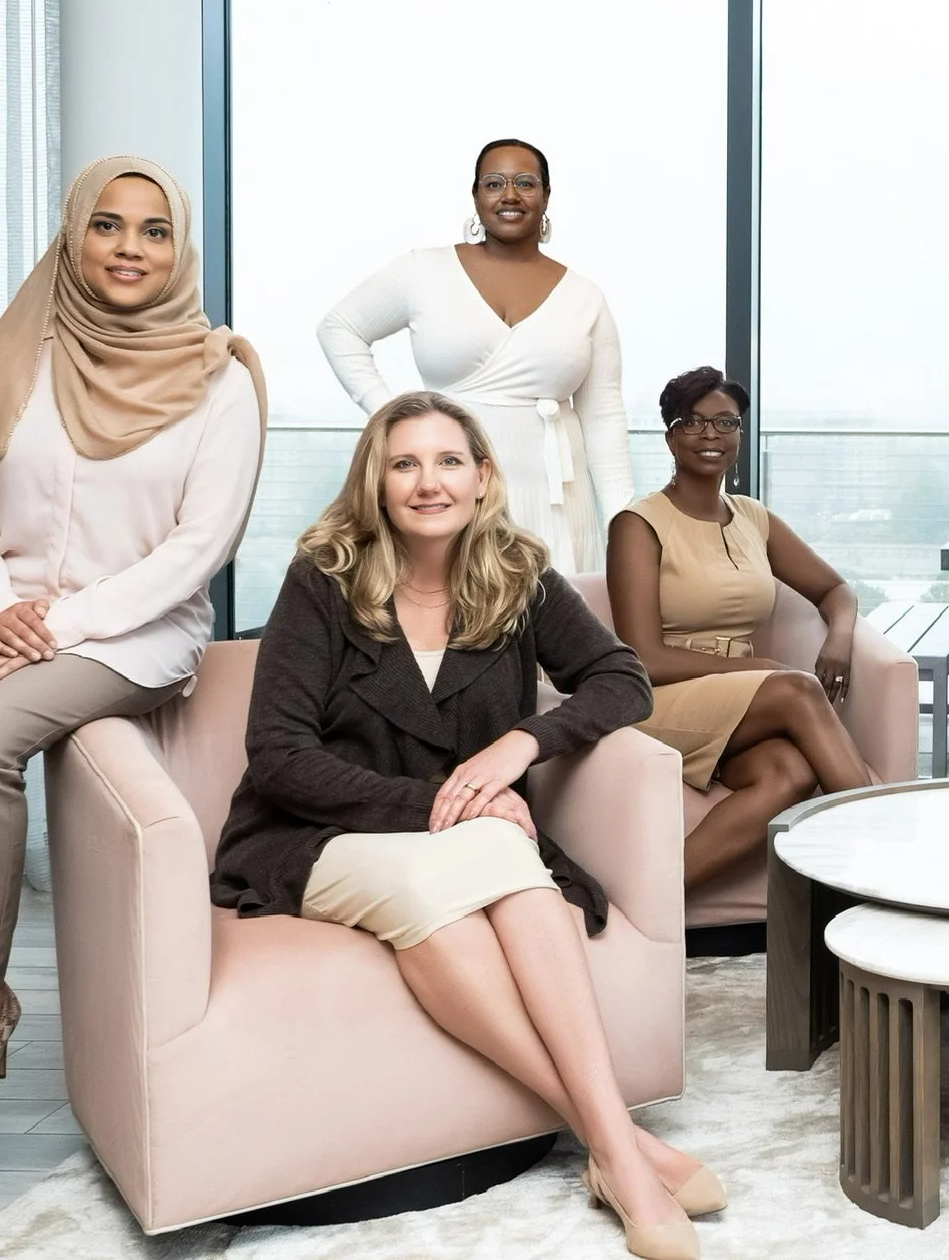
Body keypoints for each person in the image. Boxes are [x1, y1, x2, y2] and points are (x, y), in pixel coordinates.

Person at [209, 392, 716, 1260]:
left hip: (465, 837)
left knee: (499, 874)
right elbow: (278, 756)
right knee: (470, 860)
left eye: (448, 462)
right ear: (376, 481)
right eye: (404, 463)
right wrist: (441, 802)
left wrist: (523, 743)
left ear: (483, 479)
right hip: (322, 835)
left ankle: (611, 1150)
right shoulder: (322, 578)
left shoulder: (517, 575)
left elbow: (621, 680)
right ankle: (622, 1150)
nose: (427, 482)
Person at [0, 156, 266, 1213]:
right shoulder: (21, 349)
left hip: (126, 635)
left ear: (178, 250)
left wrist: (53, 624)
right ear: (75, 235)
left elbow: (200, 546)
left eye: (153, 231)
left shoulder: (220, 376)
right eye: (108, 226)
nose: (130, 248)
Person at [603, 367, 878, 888]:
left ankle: (645, 898)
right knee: (796, 689)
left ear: (741, 435)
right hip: (660, 699)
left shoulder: (754, 517)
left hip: (740, 701)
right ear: (670, 437)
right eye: (694, 422)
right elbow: (644, 657)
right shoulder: (637, 525)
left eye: (725, 423)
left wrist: (839, 635)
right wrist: (764, 668)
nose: (711, 436)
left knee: (790, 774)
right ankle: (883, 866)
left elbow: (836, 590)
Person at [317, 138, 634, 573]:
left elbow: (603, 417)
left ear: (546, 196)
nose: (509, 194)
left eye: (525, 182)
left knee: (555, 629)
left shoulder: (585, 297)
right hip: (451, 488)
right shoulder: (424, 270)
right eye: (493, 183)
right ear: (475, 196)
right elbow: (340, 328)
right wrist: (395, 417)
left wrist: (624, 523)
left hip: (558, 501)